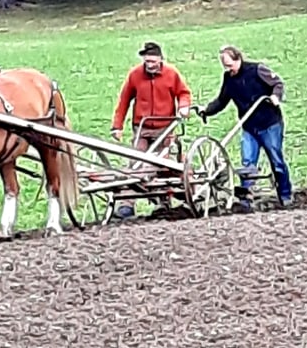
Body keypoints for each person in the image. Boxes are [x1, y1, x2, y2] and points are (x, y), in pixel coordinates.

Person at [195, 45, 294, 209]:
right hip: (249, 126)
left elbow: (277, 83)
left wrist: (275, 97)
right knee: (248, 164)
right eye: (225, 66)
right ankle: (246, 200)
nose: (228, 69)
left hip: (269, 123)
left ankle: (285, 194)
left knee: (276, 160)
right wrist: (207, 110)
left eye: (229, 65)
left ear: (238, 59)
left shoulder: (257, 70)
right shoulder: (229, 78)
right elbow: (222, 100)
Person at [111, 41, 193, 218]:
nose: (150, 66)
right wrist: (117, 126)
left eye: (153, 62)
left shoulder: (171, 74)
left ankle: (164, 203)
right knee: (136, 164)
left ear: (160, 60)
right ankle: (127, 204)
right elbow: (124, 100)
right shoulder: (135, 75)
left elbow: (183, 93)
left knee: (160, 165)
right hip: (142, 128)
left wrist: (184, 106)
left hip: (165, 128)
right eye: (147, 62)